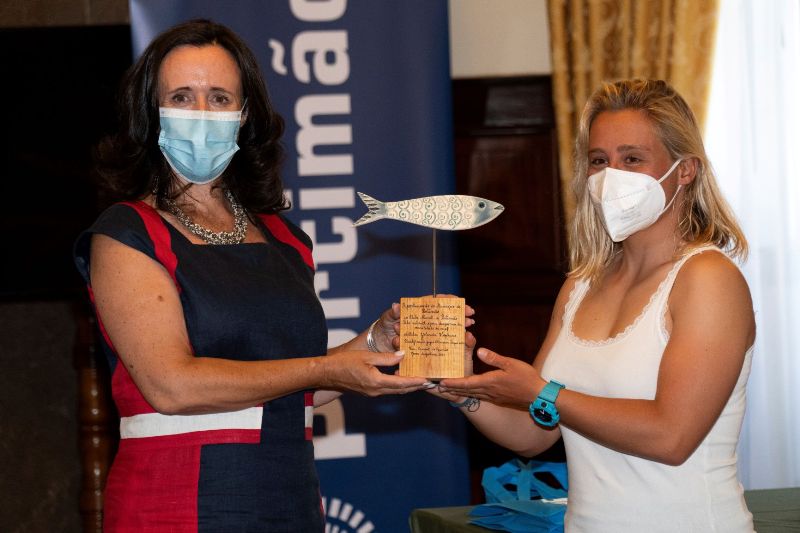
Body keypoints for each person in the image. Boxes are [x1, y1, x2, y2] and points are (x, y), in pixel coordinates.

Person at [73, 19, 461, 531]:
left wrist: (374, 342)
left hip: (289, 499)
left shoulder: (285, 238)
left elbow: (293, 385)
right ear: (151, 113)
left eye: (219, 98)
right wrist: (322, 370)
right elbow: (171, 386)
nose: (202, 113)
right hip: (178, 502)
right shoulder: (125, 234)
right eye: (182, 97)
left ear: (244, 115)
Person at [436, 79, 756, 532]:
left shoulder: (707, 278)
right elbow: (533, 432)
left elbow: (672, 437)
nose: (611, 176)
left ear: (685, 170)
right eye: (599, 160)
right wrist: (465, 390)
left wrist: (543, 393)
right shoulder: (580, 286)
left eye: (632, 159)